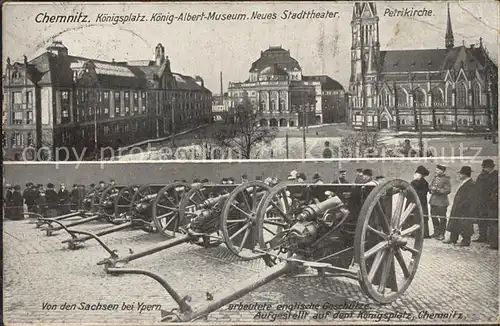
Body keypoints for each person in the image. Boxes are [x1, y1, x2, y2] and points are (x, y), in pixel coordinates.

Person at [443, 167, 476, 246]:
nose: (459, 175)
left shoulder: (471, 184)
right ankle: (453, 238)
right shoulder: (464, 182)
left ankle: (466, 240)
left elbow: (471, 197)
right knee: (455, 221)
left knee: (465, 224)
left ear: (465, 174)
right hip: (458, 206)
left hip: (465, 208)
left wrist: (463, 205)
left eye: (460, 174)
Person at [474, 159, 498, 249]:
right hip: (482, 202)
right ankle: (482, 236)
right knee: (481, 219)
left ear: (491, 167)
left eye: (485, 167)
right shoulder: (482, 176)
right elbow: (477, 187)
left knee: (492, 222)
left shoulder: (496, 175)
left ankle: (493, 242)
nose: (484, 169)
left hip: (492, 203)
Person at [429, 164, 451, 241]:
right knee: (433, 217)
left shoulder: (446, 179)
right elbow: (430, 186)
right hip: (433, 201)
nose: (436, 171)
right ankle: (436, 232)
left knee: (442, 219)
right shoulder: (435, 178)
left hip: (442, 202)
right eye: (436, 170)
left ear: (442, 171)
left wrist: (438, 190)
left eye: (438, 170)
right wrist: (431, 188)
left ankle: (442, 234)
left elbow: (448, 190)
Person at [411, 165, 431, 238]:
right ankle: (424, 233)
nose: (415, 175)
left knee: (415, 215)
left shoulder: (414, 182)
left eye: (416, 173)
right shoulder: (425, 182)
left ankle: (414, 232)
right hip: (423, 201)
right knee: (422, 216)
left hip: (415, 201)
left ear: (420, 175)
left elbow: (413, 192)